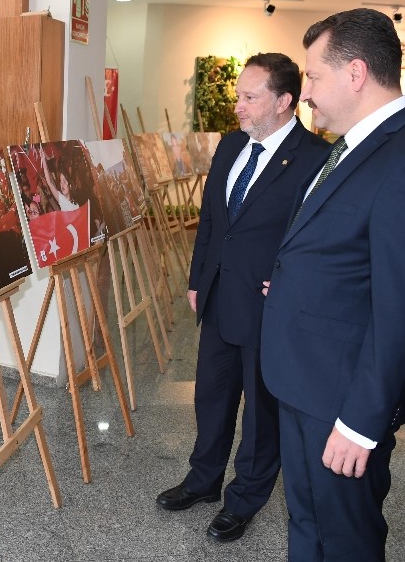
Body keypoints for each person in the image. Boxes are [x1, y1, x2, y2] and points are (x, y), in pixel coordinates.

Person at [260, 8, 405, 560]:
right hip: (305, 378)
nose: (305, 94)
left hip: (342, 400)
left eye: (314, 77)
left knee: (345, 538)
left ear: (355, 73)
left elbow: (404, 311)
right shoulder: (350, 147)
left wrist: (360, 423)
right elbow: (344, 256)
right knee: (306, 520)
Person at [156, 53, 330, 542]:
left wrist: (295, 284)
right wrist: (196, 279)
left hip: (268, 307)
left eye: (249, 98)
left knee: (261, 412)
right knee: (211, 397)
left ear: (284, 101)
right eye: (237, 95)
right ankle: (203, 480)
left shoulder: (314, 158)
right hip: (217, 296)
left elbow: (315, 238)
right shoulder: (232, 145)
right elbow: (212, 221)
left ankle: (245, 498)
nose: (238, 107)